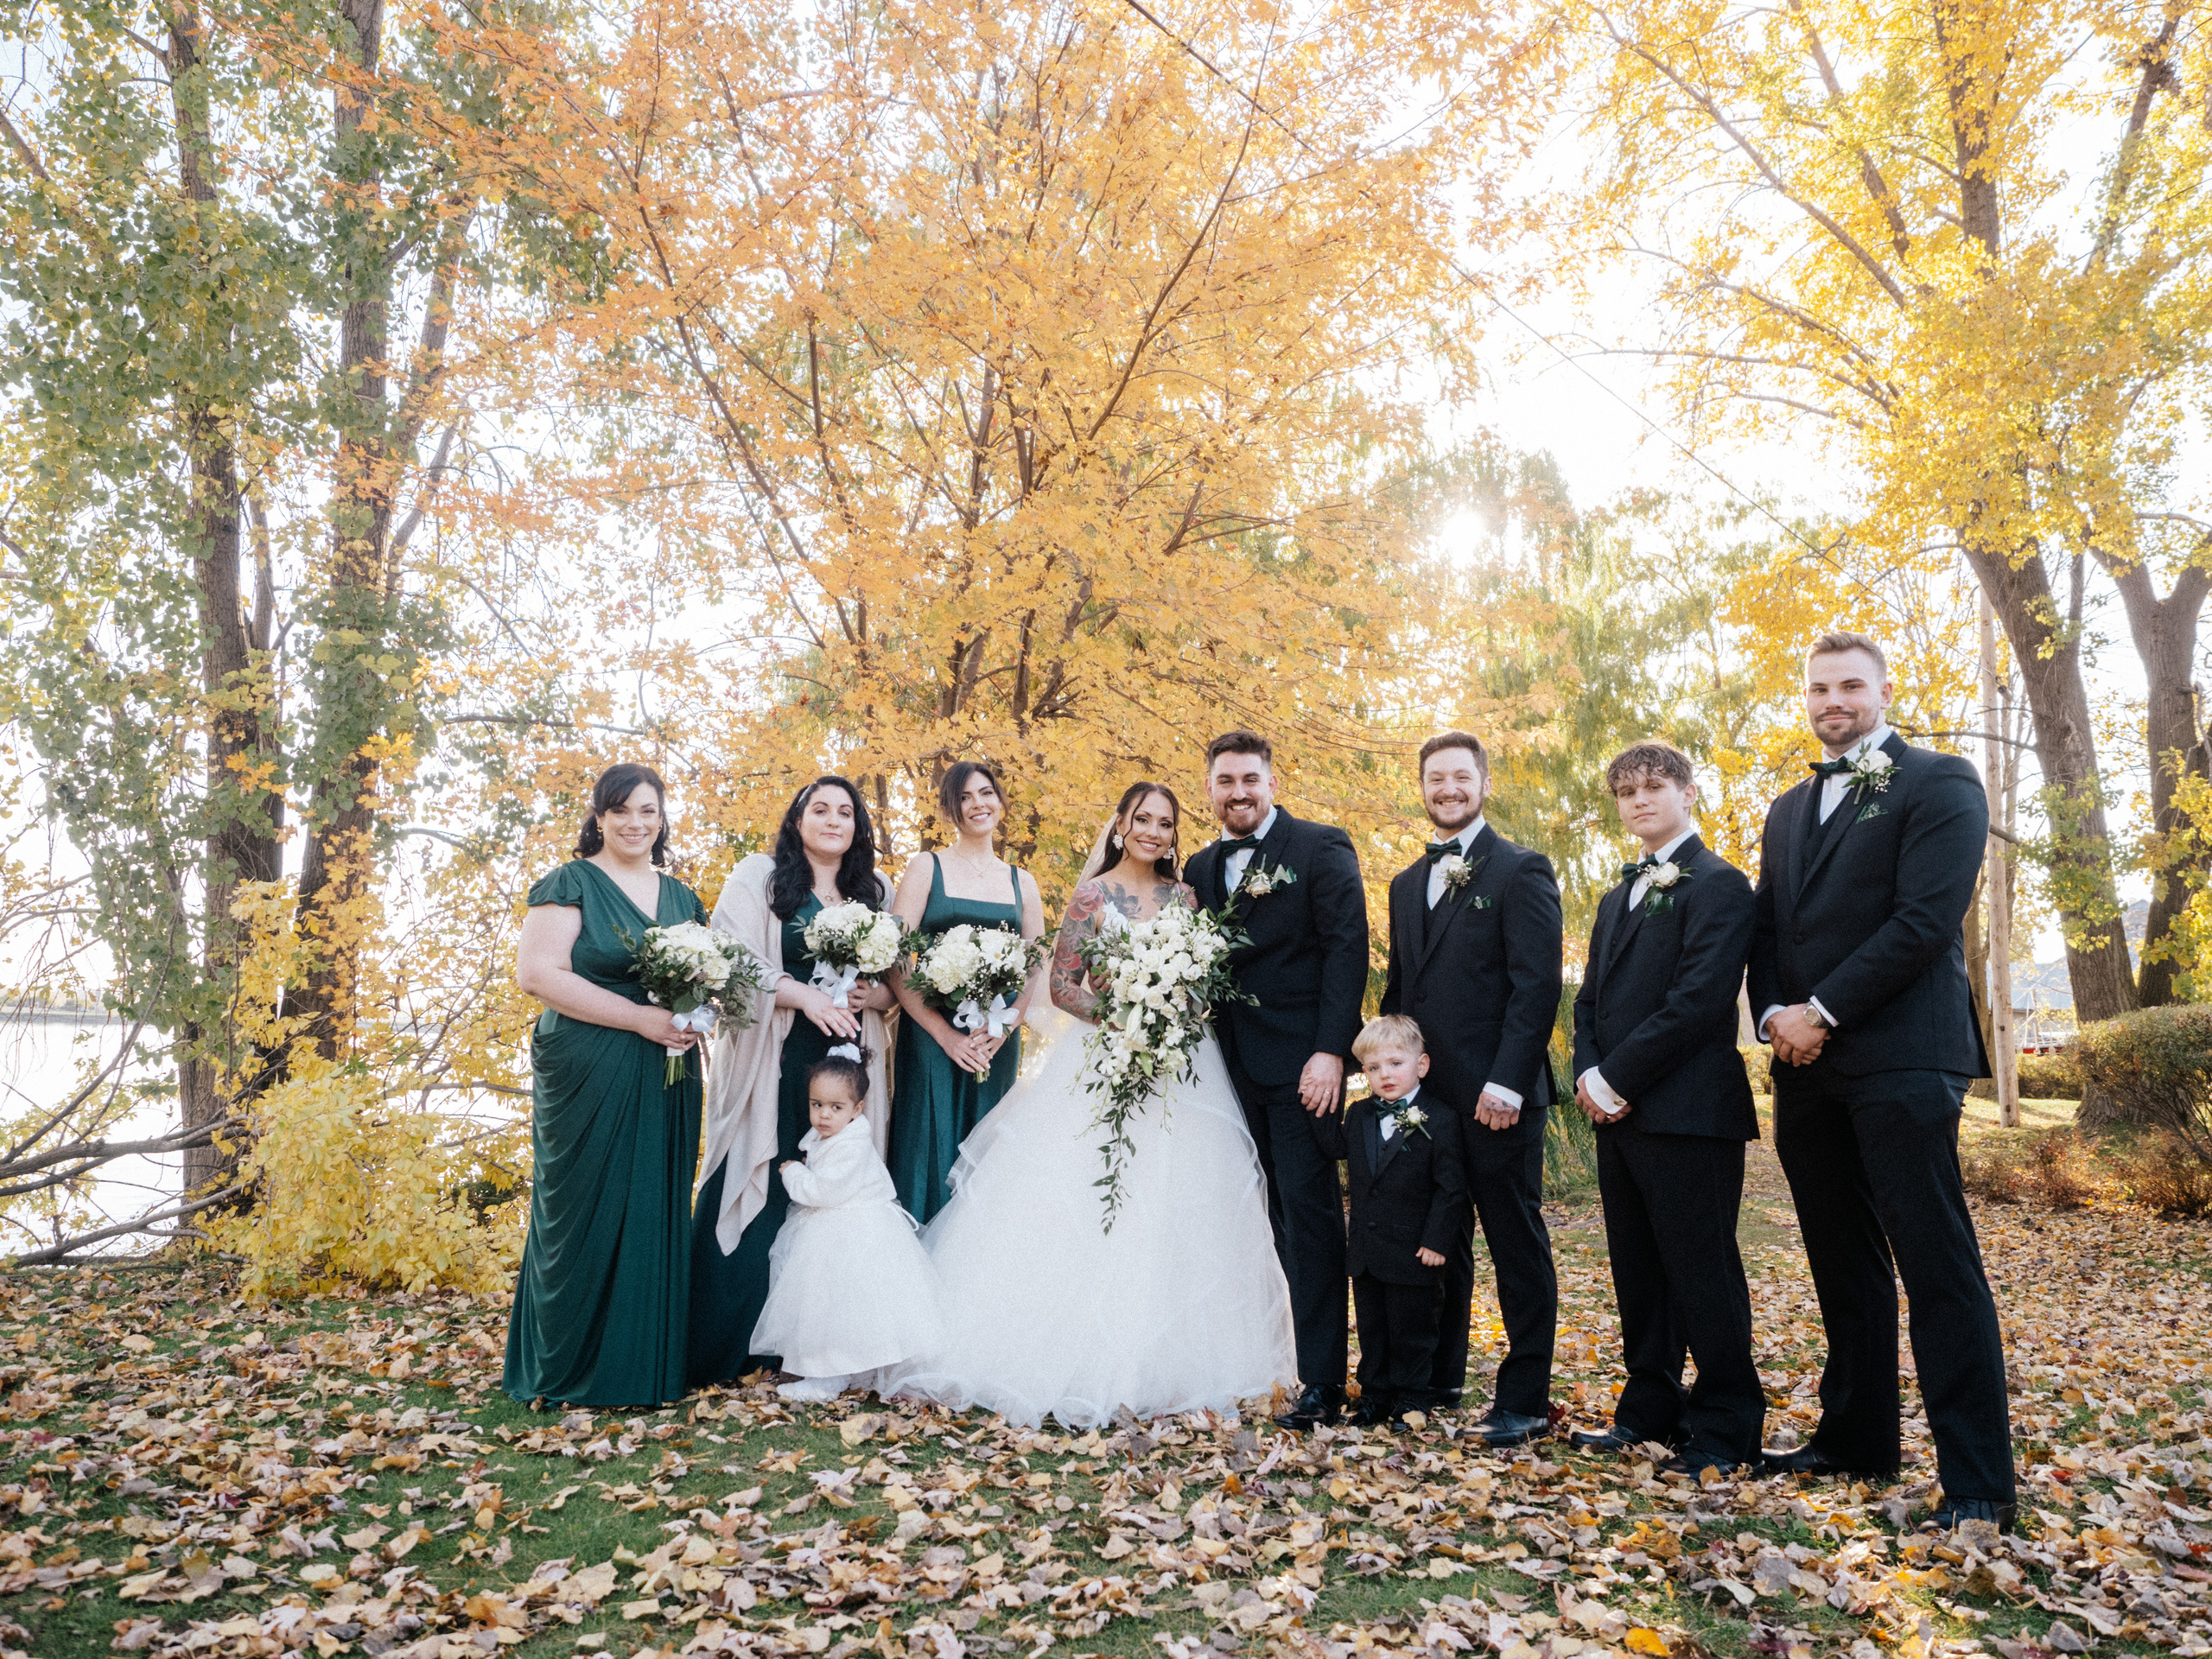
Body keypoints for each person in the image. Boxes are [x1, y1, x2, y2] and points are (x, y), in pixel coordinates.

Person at [884, 781, 1297, 1427]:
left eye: (1164, 822)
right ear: (1121, 824)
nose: (1153, 832)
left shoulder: (1186, 897)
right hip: (1102, 1058)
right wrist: (1126, 1012)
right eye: (1142, 820)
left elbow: (1200, 982)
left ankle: (1172, 1367)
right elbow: (1064, 985)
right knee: (1084, 1195)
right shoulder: (1091, 895)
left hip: (1175, 1067)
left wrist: (1169, 1012)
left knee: (1172, 1198)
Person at [1750, 631, 2014, 1531]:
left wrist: (1819, 1013)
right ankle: (1857, 1438)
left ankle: (1977, 1481)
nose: (1833, 701)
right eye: (1819, 686)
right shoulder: (1786, 810)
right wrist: (1773, 1020)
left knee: (1936, 1263)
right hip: (1805, 1070)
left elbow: (1923, 922)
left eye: (1850, 685)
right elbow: (1768, 935)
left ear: (1883, 690)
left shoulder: (1940, 782)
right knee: (1841, 1260)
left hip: (1903, 1055)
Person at [1569, 741, 1764, 1478]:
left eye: (1654, 786)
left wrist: (1616, 1078)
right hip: (1617, 1112)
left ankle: (1727, 1426)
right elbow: (1589, 1001)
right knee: (1639, 1271)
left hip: (1689, 1113)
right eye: (1626, 792)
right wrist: (1589, 1073)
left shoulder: (1719, 884)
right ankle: (1649, 1410)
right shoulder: (1616, 894)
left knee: (1703, 1272)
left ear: (1686, 792)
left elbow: (1698, 1001)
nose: (1639, 801)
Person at [505, 762, 709, 1408]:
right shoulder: (570, 883)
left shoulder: (682, 898)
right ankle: (566, 1370)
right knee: (580, 1209)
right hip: (589, 1061)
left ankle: (640, 1368)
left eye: (648, 811)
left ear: (663, 818)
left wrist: (693, 1015)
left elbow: (706, 981)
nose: (636, 823)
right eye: (622, 810)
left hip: (668, 1068)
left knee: (653, 1203)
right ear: (598, 816)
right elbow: (537, 975)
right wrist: (639, 1019)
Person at [1379, 731, 1562, 1447]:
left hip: (1497, 1099)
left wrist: (1508, 1084)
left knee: (1516, 1243)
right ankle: (1438, 1376)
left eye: (1461, 777)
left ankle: (1525, 1399)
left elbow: (1536, 984)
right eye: (1435, 779)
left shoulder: (1521, 869)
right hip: (1430, 1102)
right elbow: (1402, 991)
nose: (1447, 789)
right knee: (1439, 1242)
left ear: (1484, 784)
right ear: (1421, 788)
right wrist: (1390, 1076)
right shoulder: (1402, 883)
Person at [1181, 733, 1369, 1430]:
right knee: (1261, 1225)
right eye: (1225, 780)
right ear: (1210, 788)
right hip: (1224, 1075)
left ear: (1272, 780)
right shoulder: (1199, 868)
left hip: (1302, 1073)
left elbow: (1348, 951)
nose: (1238, 792)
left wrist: (1330, 1053)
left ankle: (1323, 1382)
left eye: (1250, 779)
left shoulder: (1321, 847)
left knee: (1312, 1221)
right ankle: (1270, 1360)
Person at [688, 777, 897, 1389]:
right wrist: (803, 995)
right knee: (763, 1178)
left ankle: (809, 1355)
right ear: (798, 819)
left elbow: (894, 984)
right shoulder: (760, 876)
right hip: (774, 1055)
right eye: (820, 809)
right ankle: (724, 1352)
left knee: (832, 1193)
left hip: (846, 1060)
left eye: (846, 812)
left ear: (859, 826)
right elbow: (732, 954)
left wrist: (871, 993)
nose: (833, 820)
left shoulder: (875, 891)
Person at [887, 760, 1046, 1222]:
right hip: (933, 1038)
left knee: (989, 1155)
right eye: (964, 797)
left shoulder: (1024, 883)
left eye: (985, 793)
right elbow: (896, 962)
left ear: (1000, 801)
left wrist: (1004, 1028)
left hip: (996, 1042)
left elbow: (1034, 967)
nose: (977, 804)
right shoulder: (926, 867)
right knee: (927, 1149)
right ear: (948, 810)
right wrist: (945, 1036)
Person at [750, 1045, 945, 1402]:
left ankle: (829, 1377)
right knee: (826, 1304)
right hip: (835, 1228)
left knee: (837, 1302)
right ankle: (829, 1370)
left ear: (857, 1109)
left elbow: (823, 1191)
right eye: (817, 1105)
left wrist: (793, 1172)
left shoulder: (852, 1145)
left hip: (853, 1234)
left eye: (836, 1107)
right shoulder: (833, 1134)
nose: (824, 1115)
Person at [1314, 1016, 1467, 1428]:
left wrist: (1438, 1241)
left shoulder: (1441, 1117)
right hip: (1366, 1251)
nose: (1385, 1075)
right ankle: (1374, 1397)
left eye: (1396, 1063)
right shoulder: (1361, 1113)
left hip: (1415, 1250)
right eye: (1373, 1068)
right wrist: (1316, 1096)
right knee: (1373, 1329)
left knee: (1413, 1330)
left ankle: (1413, 1399)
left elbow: (1450, 1189)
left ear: (1422, 1065)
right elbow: (1334, 1145)